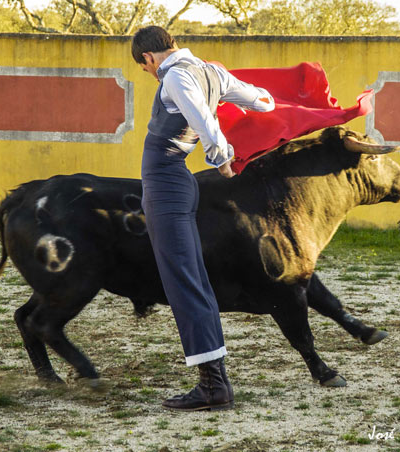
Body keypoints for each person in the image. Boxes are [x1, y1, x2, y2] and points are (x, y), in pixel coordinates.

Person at [131, 25, 274, 411]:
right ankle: (215, 381)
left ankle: (213, 386)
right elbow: (261, 101)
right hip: (175, 183)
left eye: (145, 68)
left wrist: (222, 156)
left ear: (148, 58)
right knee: (190, 277)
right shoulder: (211, 70)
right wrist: (270, 102)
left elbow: (203, 119)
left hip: (166, 184)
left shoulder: (175, 76)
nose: (149, 74)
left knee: (184, 281)